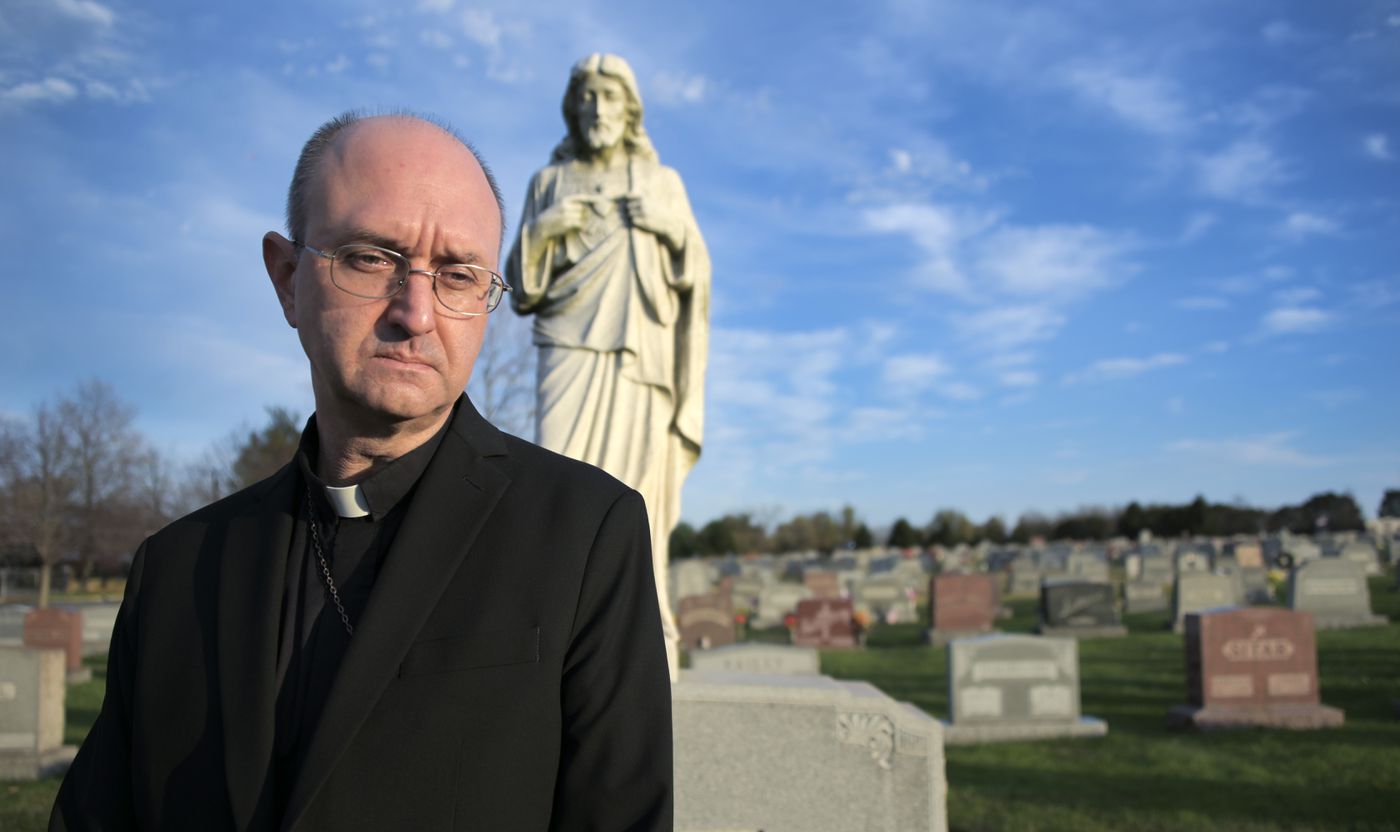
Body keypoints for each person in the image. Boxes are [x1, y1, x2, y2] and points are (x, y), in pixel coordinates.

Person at [50, 113, 673, 831]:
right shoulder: (176, 568)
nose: (416, 312)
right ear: (287, 279)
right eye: (372, 258)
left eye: (459, 275)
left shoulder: (587, 533)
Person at [506, 54, 710, 678]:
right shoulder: (548, 182)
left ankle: (646, 627)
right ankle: (561, 629)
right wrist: (542, 233)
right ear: (573, 108)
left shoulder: (663, 183)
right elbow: (518, 289)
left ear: (630, 110)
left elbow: (697, 273)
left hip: (640, 357)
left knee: (638, 500)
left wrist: (670, 232)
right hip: (568, 350)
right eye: (586, 97)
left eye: (609, 98)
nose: (596, 109)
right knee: (561, 486)